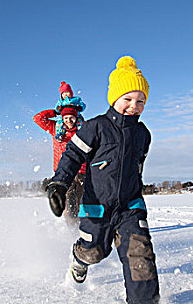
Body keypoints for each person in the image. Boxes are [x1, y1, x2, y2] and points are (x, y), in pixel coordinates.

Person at [45, 56, 160, 304]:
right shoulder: (96, 128)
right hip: (97, 206)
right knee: (94, 251)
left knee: (140, 256)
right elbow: (72, 155)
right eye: (128, 99)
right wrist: (59, 183)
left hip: (130, 207)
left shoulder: (143, 134)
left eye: (141, 101)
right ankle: (78, 258)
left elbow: (137, 167)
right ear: (114, 98)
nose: (134, 106)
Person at [33, 104, 86, 225]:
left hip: (83, 172)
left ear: (76, 117)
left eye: (72, 117)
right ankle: (72, 231)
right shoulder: (55, 129)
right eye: (65, 117)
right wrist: (55, 112)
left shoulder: (82, 130)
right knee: (69, 205)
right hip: (64, 174)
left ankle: (84, 229)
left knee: (82, 204)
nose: (69, 121)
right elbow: (38, 118)